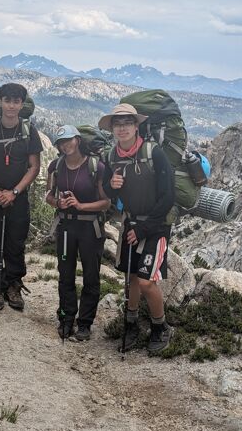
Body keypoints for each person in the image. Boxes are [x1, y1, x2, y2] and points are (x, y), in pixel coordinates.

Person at [100, 103, 175, 354]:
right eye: (117, 124)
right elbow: (109, 192)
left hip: (156, 226)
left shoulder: (154, 153)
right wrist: (112, 184)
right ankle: (131, 324)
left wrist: (144, 229)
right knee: (131, 278)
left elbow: (168, 197)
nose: (122, 128)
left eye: (127, 123)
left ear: (136, 126)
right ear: (112, 128)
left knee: (145, 282)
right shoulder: (112, 156)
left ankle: (160, 326)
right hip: (130, 223)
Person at [0, 83, 43, 311]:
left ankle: (13, 284)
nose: (11, 105)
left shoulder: (28, 131)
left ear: (21, 104)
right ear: (0, 102)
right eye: (8, 100)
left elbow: (34, 166)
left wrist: (14, 192)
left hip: (18, 196)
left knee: (16, 242)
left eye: (16, 101)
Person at [45, 125, 110, 341]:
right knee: (66, 276)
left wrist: (81, 206)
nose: (66, 145)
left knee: (91, 276)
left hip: (90, 228)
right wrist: (58, 202)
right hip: (66, 227)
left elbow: (106, 201)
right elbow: (48, 195)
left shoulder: (96, 167)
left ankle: (85, 324)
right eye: (61, 142)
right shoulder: (56, 166)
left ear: (78, 140)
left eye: (69, 140)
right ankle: (66, 318)